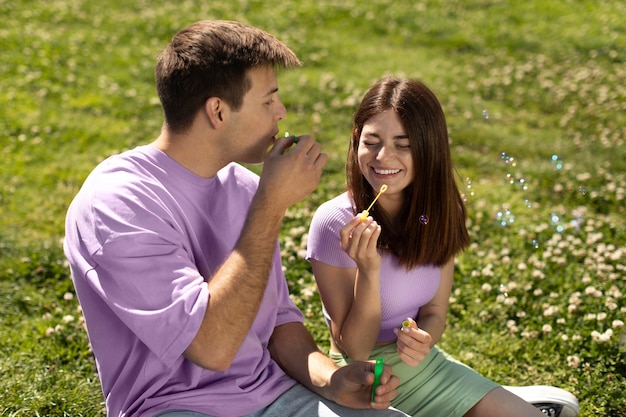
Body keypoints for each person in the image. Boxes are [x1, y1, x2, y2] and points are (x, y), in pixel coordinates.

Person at [64, 20, 412, 417]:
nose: (281, 112)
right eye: (268, 101)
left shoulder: (244, 188)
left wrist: (331, 381)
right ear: (218, 111)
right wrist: (271, 205)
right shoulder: (116, 204)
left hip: (275, 396)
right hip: (173, 408)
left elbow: (278, 322)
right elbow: (211, 347)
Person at [306, 77, 580, 417]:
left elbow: (435, 312)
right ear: (355, 141)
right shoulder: (334, 222)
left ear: (429, 148)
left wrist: (425, 339)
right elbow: (355, 348)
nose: (382, 157)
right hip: (369, 380)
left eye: (403, 144)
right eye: (371, 141)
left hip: (427, 367)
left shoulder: (438, 210)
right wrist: (368, 269)